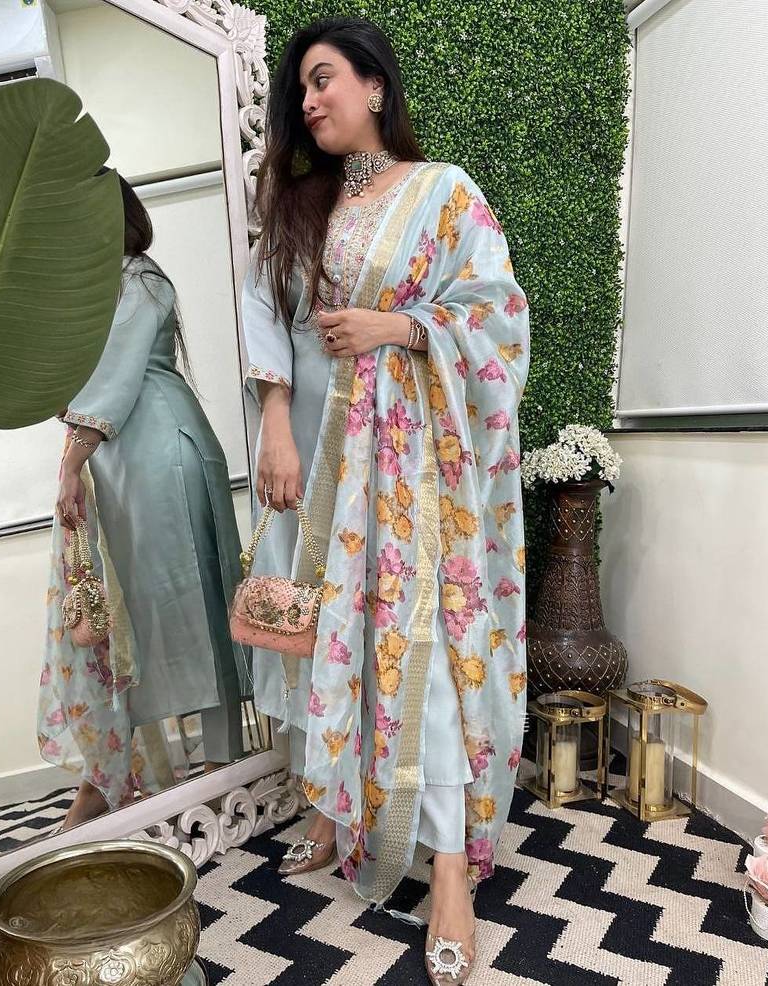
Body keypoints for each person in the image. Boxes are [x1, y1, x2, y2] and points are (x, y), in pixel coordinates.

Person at [242, 17, 529, 984]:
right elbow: (269, 309)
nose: (310, 100)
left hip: (421, 470)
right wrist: (274, 420)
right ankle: (339, 806)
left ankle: (448, 870)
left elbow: (499, 318)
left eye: (324, 79)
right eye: (301, 89)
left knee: (428, 650)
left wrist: (398, 328)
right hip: (335, 464)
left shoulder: (443, 190)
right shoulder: (306, 206)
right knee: (345, 637)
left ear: (374, 85)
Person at [38, 173, 251, 830]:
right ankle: (115, 773)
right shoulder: (98, 285)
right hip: (124, 455)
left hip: (160, 448)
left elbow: (117, 376)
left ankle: (219, 762)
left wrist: (70, 461)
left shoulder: (142, 279)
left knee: (190, 599)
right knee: (128, 614)